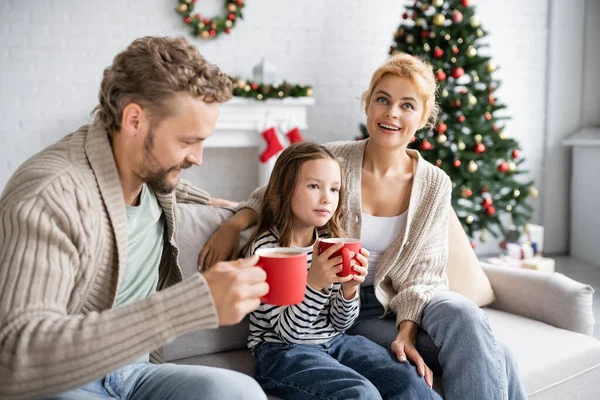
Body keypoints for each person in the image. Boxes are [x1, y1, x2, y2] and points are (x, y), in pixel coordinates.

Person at [200, 53, 528, 400]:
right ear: (367, 104)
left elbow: (424, 274)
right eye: (382, 100)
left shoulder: (435, 184)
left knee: (465, 316)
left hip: (401, 302)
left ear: (423, 117)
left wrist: (407, 328)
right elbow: (272, 194)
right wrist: (232, 225)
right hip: (349, 315)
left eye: (407, 105)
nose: (392, 113)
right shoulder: (333, 161)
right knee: (500, 357)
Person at [0, 36, 269, 400]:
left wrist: (233, 216)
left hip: (137, 373)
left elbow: (178, 191)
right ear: (134, 119)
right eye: (188, 141)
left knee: (241, 393)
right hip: (63, 382)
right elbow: (17, 357)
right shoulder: (50, 196)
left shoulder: (149, 177)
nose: (198, 158)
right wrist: (190, 305)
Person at [243, 141, 439, 399]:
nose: (327, 198)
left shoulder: (330, 244)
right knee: (360, 393)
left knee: (410, 381)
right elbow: (288, 332)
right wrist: (315, 283)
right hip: (281, 351)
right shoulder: (267, 251)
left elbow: (341, 323)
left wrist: (349, 290)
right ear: (285, 188)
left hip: (336, 341)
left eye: (334, 189)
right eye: (314, 186)